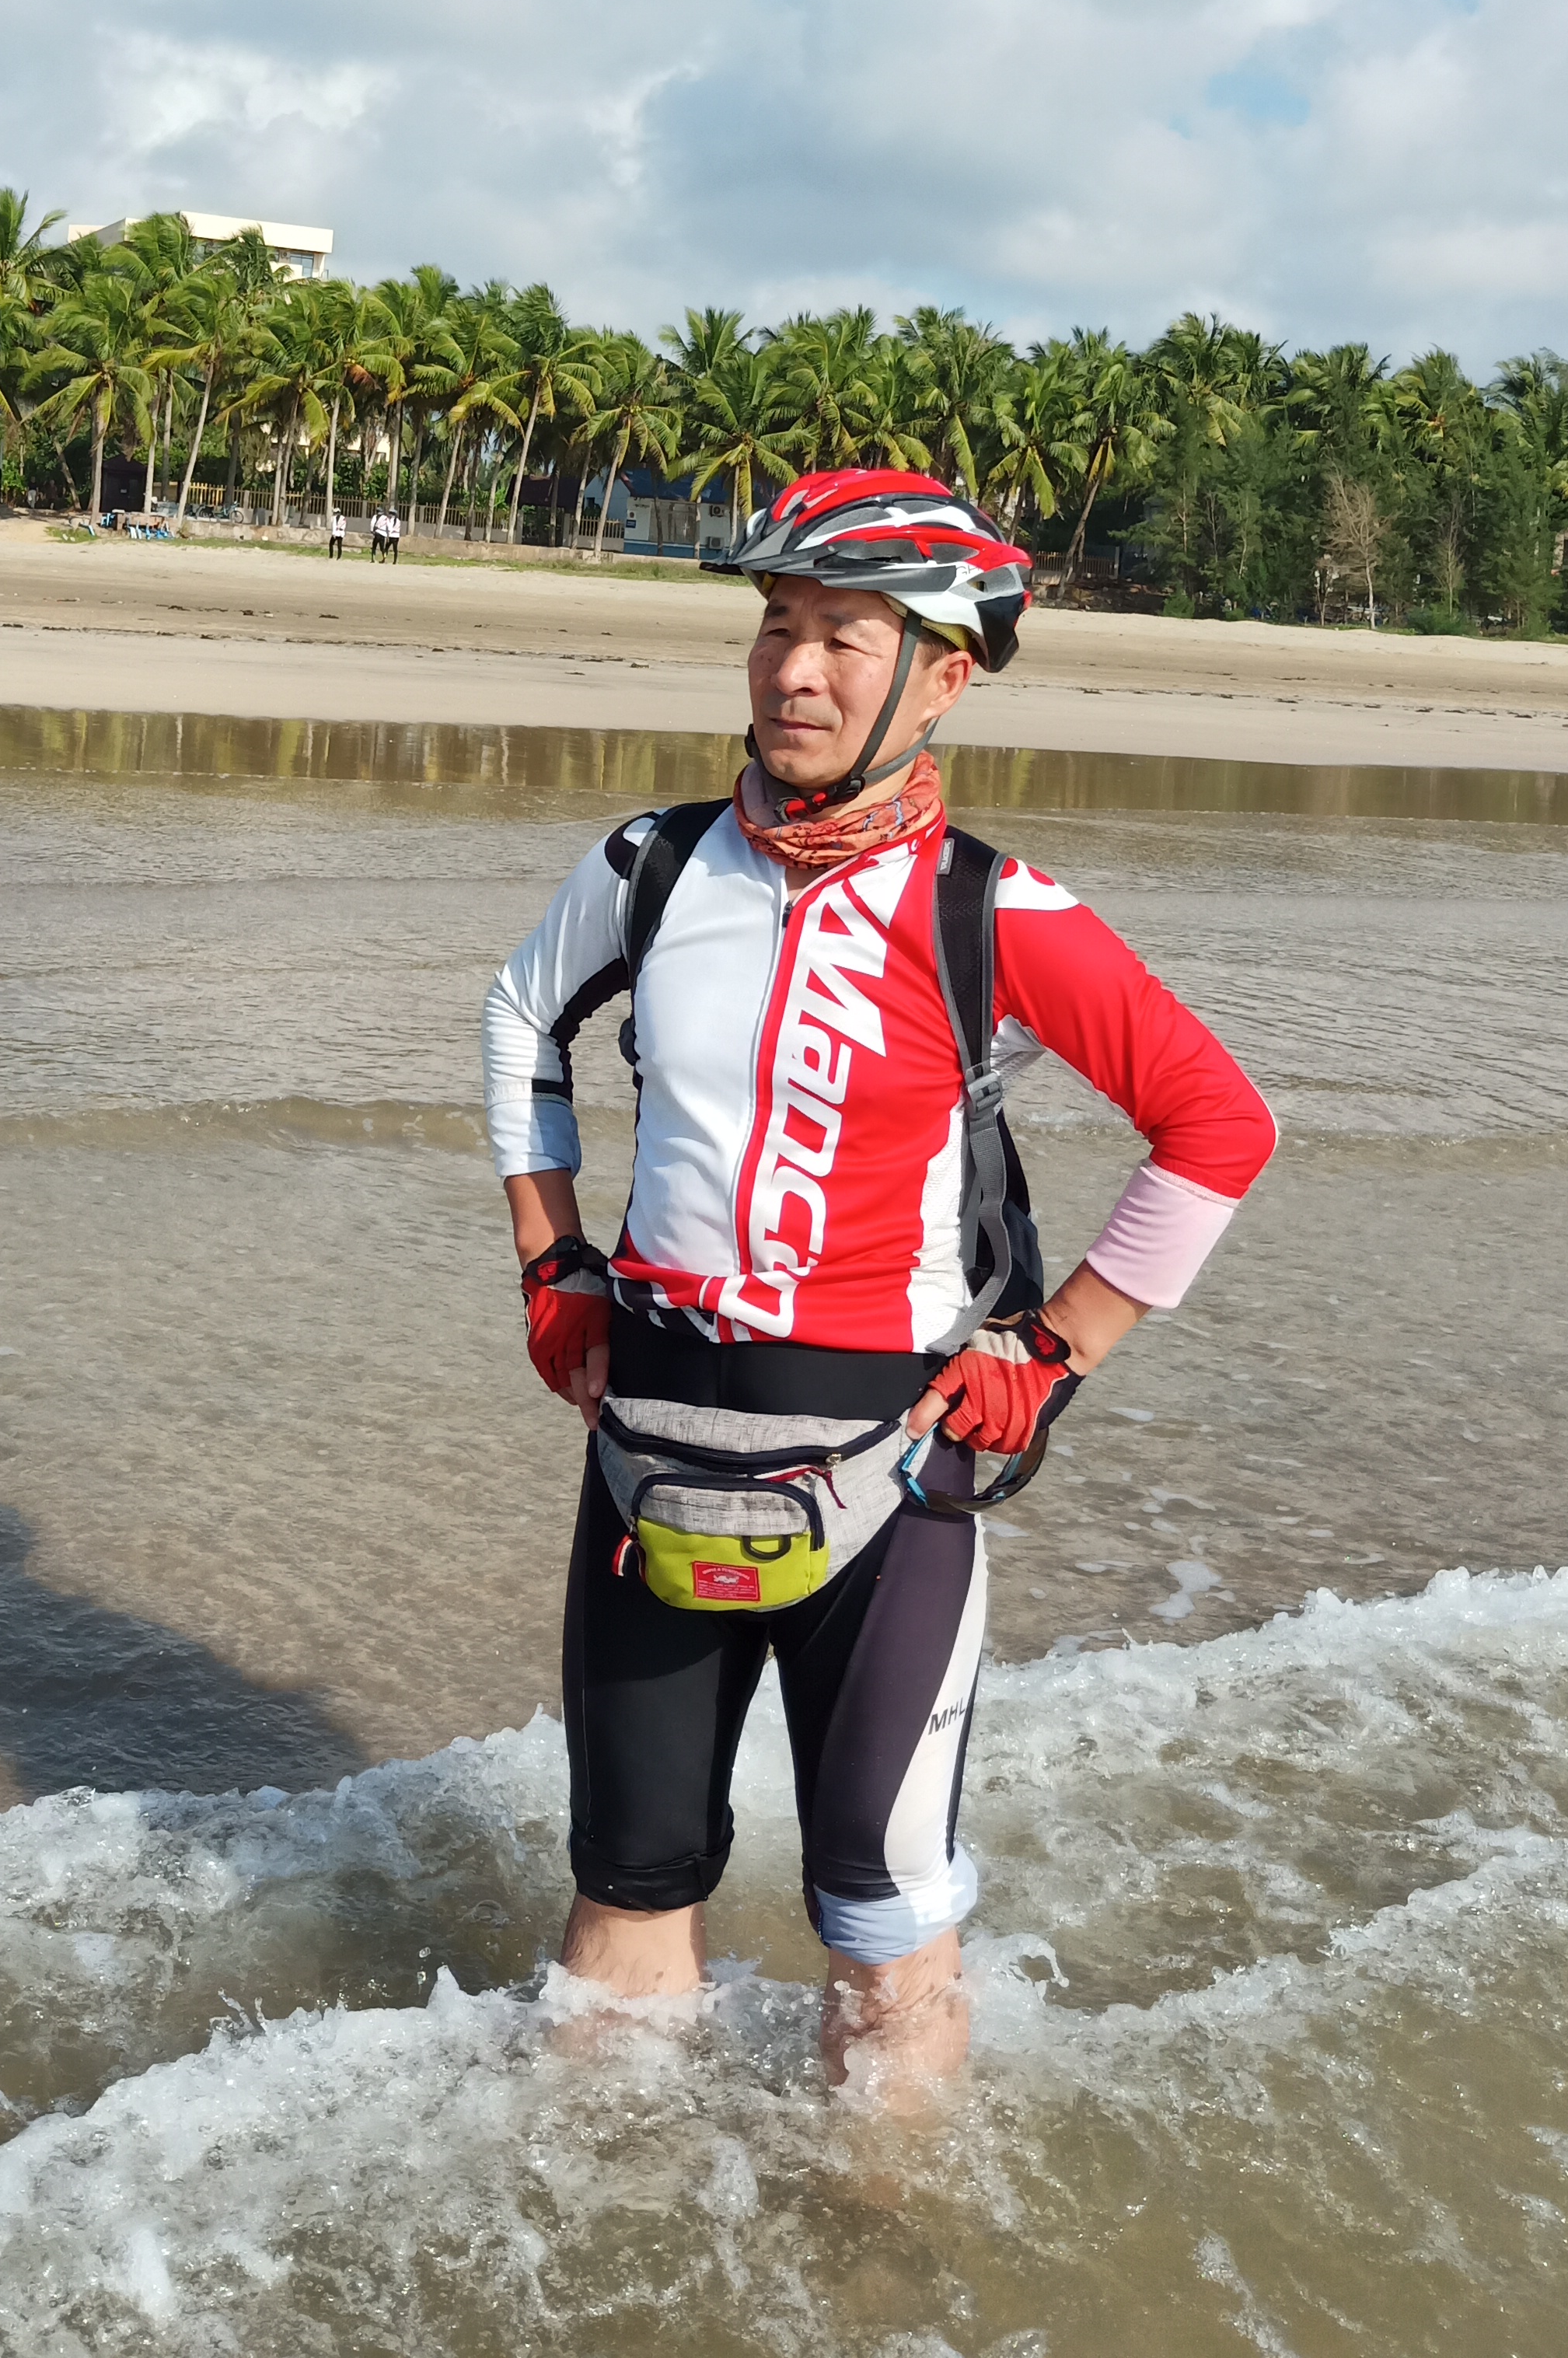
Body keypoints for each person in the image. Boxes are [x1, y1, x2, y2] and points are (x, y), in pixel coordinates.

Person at [484, 470, 1276, 2089]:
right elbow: (518, 1020)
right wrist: (552, 1259)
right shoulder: (651, 865)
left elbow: (1217, 1126)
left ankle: (885, 2282)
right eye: (778, 628)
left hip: (888, 1484)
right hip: (647, 1457)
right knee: (627, 1892)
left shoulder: (989, 905)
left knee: (882, 1934)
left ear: (945, 675)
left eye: (846, 638)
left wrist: (1058, 1354)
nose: (794, 670)